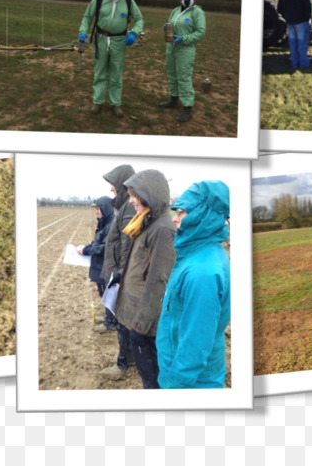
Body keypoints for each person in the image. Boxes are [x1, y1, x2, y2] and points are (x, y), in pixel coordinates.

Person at [156, 180, 231, 389]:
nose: (174, 219)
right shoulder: (197, 255)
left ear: (203, 216)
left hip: (192, 382)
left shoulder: (202, 272)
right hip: (190, 373)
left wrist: (175, 384)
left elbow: (195, 347)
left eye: (181, 213)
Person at [114, 169, 176, 389]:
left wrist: (140, 325)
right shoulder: (147, 222)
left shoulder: (162, 230)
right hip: (138, 318)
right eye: (130, 194)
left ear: (150, 194)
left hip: (146, 325)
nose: (131, 201)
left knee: (152, 378)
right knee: (146, 374)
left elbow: (159, 282)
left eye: (135, 195)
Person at [77, 0, 145, 118]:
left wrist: (134, 33)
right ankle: (98, 101)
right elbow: (87, 16)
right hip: (101, 39)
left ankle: (115, 103)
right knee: (100, 72)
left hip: (119, 42)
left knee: (116, 73)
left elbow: (139, 19)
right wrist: (83, 31)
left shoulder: (127, 0)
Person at [99, 164, 137, 380]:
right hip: (121, 274)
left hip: (124, 276)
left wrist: (120, 277)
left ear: (122, 184)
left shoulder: (129, 209)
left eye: (113, 184)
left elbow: (127, 247)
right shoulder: (124, 206)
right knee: (123, 320)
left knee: (123, 321)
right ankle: (128, 359)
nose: (111, 189)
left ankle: (123, 364)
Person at [160, 0, 206, 123]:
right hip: (171, 48)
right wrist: (167, 27)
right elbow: (171, 23)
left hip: (185, 50)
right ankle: (173, 99)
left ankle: (187, 107)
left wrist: (184, 38)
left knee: (184, 77)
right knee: (172, 74)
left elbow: (200, 32)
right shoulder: (175, 10)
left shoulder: (197, 12)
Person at [77, 196, 115, 331]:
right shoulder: (104, 222)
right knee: (104, 292)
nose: (96, 211)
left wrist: (87, 250)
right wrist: (86, 247)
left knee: (109, 292)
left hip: (108, 265)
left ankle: (110, 323)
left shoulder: (111, 225)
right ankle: (108, 318)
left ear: (105, 208)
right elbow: (97, 242)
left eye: (98, 208)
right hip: (102, 265)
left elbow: (104, 247)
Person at [277, 0, 312, 69]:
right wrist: (306, 18)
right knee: (302, 43)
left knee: (292, 43)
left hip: (289, 21)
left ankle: (294, 62)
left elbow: (279, 9)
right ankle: (303, 63)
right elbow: (308, 9)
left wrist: (287, 17)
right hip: (301, 21)